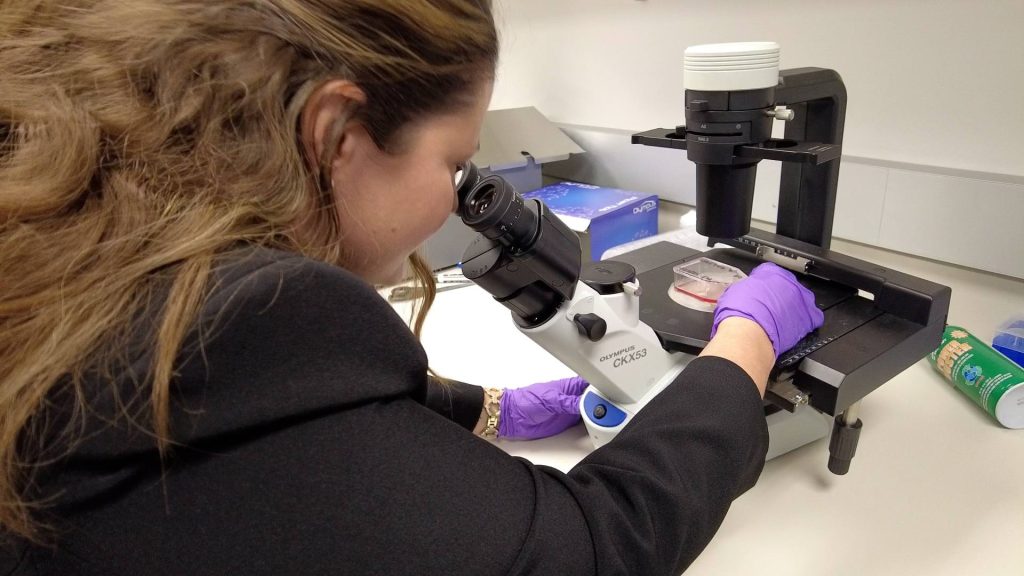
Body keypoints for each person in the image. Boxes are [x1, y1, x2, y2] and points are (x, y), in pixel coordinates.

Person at [0, 1, 823, 574]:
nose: (456, 194)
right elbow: (597, 545)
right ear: (333, 132)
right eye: (454, 162)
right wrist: (740, 351)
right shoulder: (248, 319)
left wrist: (483, 408)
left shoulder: (82, 252)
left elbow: (260, 411)